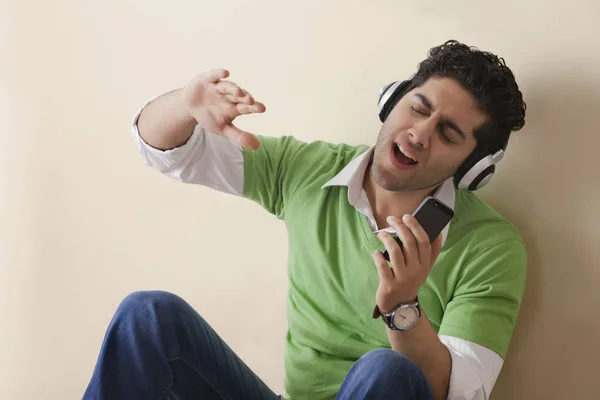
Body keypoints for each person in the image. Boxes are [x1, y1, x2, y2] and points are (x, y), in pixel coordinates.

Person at [83, 40, 527, 400]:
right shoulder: (308, 170)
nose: (420, 132)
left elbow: (455, 394)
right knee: (148, 315)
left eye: (448, 133)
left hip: (384, 386)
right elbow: (169, 152)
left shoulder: (490, 246)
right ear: (391, 101)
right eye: (417, 107)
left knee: (384, 370)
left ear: (472, 168)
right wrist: (185, 103)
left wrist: (402, 307)